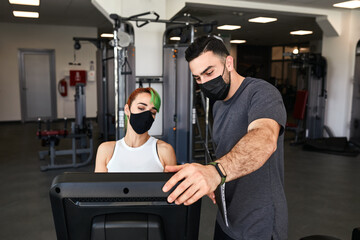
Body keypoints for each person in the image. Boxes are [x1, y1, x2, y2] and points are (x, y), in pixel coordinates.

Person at [162, 36, 288, 240]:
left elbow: (264, 139)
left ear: (229, 63)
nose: (204, 82)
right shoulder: (218, 104)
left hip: (259, 225)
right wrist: (210, 177)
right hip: (227, 217)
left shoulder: (261, 93)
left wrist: (215, 171)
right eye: (198, 78)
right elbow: (226, 150)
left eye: (209, 72)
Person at [95, 87, 177, 172]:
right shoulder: (106, 150)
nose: (146, 116)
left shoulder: (164, 151)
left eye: (152, 112)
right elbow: (98, 185)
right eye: (141, 108)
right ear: (127, 110)